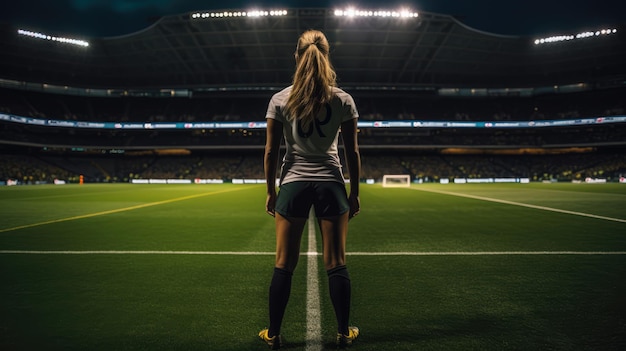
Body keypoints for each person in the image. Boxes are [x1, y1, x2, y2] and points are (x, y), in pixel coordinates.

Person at [259, 29, 361, 349]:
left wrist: (271, 191)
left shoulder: (280, 98)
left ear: (296, 56)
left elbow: (271, 153)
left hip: (293, 184)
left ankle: (273, 334)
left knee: (283, 263)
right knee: (336, 262)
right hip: (331, 183)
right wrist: (354, 192)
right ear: (326, 55)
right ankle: (344, 332)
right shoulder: (342, 99)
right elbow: (352, 152)